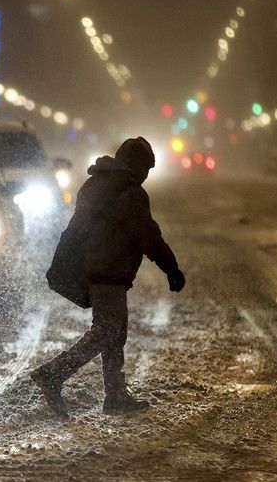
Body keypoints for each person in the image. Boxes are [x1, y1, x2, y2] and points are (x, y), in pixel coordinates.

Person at [31, 137, 185, 419]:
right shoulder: (130, 192)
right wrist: (171, 269)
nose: (146, 176)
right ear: (136, 165)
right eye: (146, 169)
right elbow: (148, 235)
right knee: (108, 331)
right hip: (110, 271)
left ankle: (115, 394)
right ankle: (53, 374)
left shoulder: (95, 183)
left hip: (94, 267)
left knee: (114, 332)